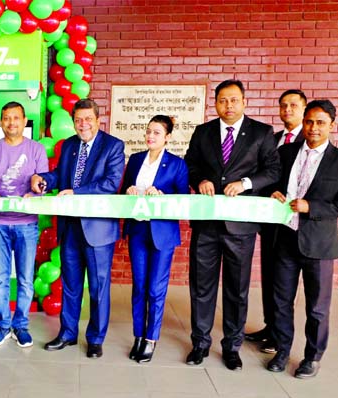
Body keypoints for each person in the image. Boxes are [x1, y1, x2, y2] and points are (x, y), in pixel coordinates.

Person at [183, 80, 280, 370]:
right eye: (223, 100)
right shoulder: (203, 132)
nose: (228, 106)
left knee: (236, 290)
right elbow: (191, 164)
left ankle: (232, 346)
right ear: (215, 103)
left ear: (244, 102)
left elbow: (272, 170)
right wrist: (199, 180)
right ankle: (200, 343)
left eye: (234, 100)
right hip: (207, 225)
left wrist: (247, 183)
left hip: (242, 227)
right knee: (201, 287)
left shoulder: (262, 133)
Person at [265, 100, 338, 379]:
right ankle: (282, 350)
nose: (313, 128)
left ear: (332, 125)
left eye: (320, 123)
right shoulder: (285, 152)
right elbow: (271, 182)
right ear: (302, 122)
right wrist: (274, 193)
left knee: (317, 306)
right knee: (281, 300)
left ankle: (312, 357)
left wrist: (311, 207)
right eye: (309, 122)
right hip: (285, 238)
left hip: (319, 245)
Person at [30, 99, 125, 358]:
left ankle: (95, 338)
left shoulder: (113, 145)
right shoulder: (70, 144)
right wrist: (43, 181)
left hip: (98, 230)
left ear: (98, 119)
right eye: (78, 120)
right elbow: (60, 175)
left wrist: (76, 192)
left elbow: (111, 183)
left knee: (98, 287)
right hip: (71, 227)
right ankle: (67, 333)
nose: (83, 125)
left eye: (88, 119)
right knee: (70, 285)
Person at [120, 115, 189, 363]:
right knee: (139, 287)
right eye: (149, 131)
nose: (151, 136)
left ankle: (151, 339)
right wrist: (128, 191)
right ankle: (138, 335)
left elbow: (183, 202)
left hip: (162, 234)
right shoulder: (136, 159)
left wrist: (162, 195)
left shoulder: (177, 165)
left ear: (167, 137)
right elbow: (123, 193)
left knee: (155, 289)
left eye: (157, 132)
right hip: (138, 230)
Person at [0, 101, 47, 348]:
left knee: (26, 279)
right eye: (6, 118)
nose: (11, 123)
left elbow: (43, 181)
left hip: (27, 224)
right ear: (0, 122)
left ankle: (21, 325)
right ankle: (4, 325)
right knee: (1, 279)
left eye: (16, 118)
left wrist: (35, 193)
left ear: (24, 120)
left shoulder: (37, 149)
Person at [247, 89, 307, 354]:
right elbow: (264, 174)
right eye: (283, 106)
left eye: (293, 105)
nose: (287, 110)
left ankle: (280, 336)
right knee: (270, 275)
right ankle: (269, 325)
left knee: (286, 283)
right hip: (271, 221)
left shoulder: (312, 140)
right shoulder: (273, 139)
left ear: (304, 109)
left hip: (298, 223)